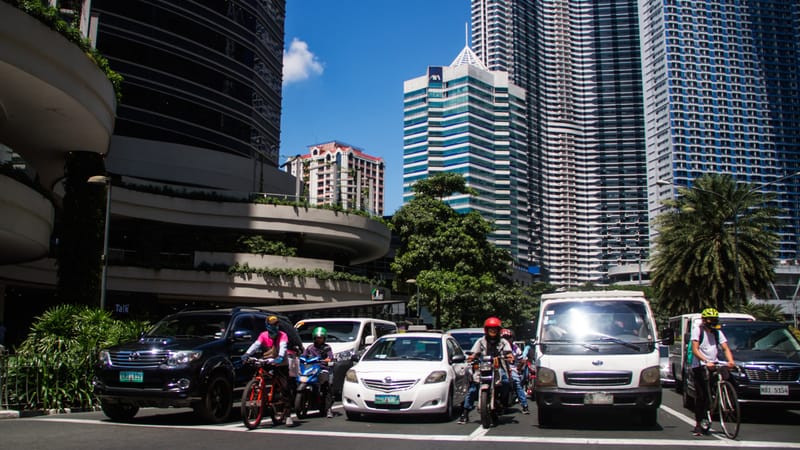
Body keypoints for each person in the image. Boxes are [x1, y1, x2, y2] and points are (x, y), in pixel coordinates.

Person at [457, 316, 513, 424]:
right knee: (473, 388)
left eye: (495, 329)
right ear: (486, 330)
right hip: (483, 368)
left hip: (498, 368)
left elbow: (508, 352)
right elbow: (474, 353)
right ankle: (465, 412)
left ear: (498, 330)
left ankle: (502, 403)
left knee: (505, 382)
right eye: (490, 329)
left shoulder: (503, 342)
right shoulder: (480, 341)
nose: (492, 331)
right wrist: (472, 357)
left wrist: (510, 356)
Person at [242, 315, 295, 425]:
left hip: (281, 363)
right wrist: (247, 354)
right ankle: (258, 388)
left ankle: (288, 414)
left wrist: (280, 357)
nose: (274, 326)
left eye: (275, 324)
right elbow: (256, 345)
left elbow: (283, 346)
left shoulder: (282, 335)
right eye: (271, 324)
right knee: (258, 370)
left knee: (284, 387)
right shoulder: (263, 335)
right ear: (267, 325)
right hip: (268, 360)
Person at [690, 307, 735, 436]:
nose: (712, 321)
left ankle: (722, 398)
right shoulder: (697, 330)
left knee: (724, 378)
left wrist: (731, 361)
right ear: (704, 320)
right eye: (710, 319)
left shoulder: (717, 333)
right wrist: (705, 361)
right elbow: (695, 349)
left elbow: (725, 348)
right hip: (700, 365)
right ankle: (699, 423)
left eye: (714, 319)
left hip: (714, 363)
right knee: (702, 395)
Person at [300, 326, 335, 418]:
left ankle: (328, 409)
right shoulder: (310, 348)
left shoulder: (327, 347)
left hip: (322, 369)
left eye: (321, 338)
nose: (319, 339)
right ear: (314, 338)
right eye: (317, 338)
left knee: (325, 385)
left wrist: (326, 360)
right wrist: (301, 359)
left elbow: (330, 357)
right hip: (311, 369)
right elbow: (304, 356)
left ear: (324, 338)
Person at [501, 328, 530, 414]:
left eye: (508, 337)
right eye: (503, 338)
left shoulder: (515, 348)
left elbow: (522, 360)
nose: (506, 340)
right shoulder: (497, 347)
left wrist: (518, 368)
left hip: (511, 369)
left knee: (516, 383)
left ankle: (524, 405)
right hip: (498, 368)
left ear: (512, 338)